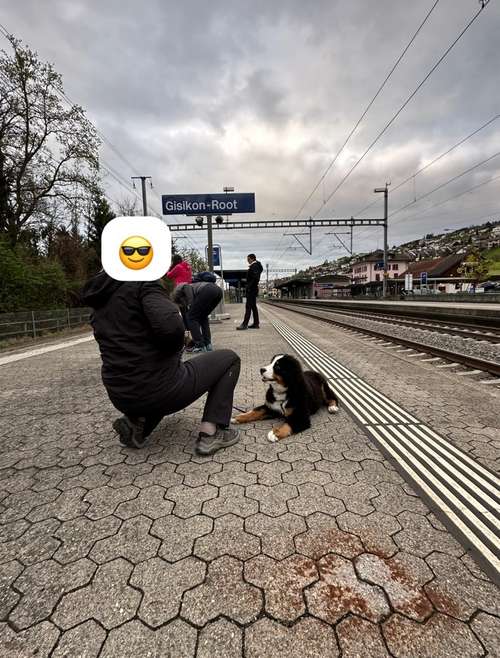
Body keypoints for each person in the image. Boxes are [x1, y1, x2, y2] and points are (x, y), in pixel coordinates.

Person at [80, 271, 240, 454]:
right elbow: (172, 330)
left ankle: (137, 426)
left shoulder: (100, 295)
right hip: (159, 390)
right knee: (229, 359)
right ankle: (211, 433)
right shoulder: (143, 282)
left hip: (119, 394)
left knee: (152, 386)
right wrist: (177, 350)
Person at [173, 280, 222, 352]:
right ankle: (207, 344)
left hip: (208, 290)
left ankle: (199, 345)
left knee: (191, 317)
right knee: (203, 317)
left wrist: (191, 304)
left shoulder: (178, 290)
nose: (184, 305)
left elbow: (187, 287)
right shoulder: (189, 292)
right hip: (218, 292)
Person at [237, 253, 263, 330]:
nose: (247, 261)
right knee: (253, 307)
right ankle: (256, 323)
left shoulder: (254, 266)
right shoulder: (256, 266)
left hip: (252, 289)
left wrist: (248, 286)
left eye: (248, 259)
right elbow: (254, 277)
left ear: (252, 259)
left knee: (248, 306)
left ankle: (245, 324)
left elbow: (255, 278)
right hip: (253, 289)